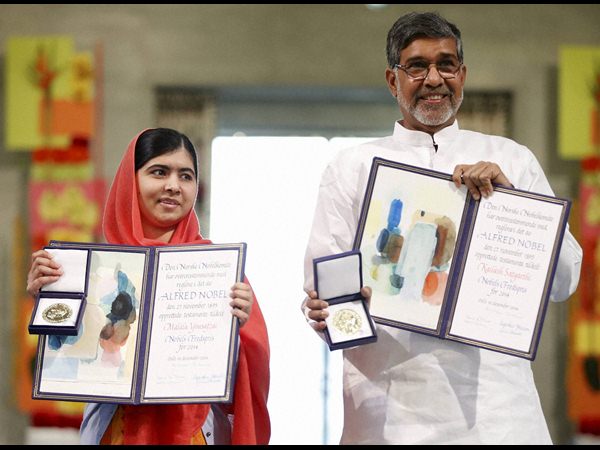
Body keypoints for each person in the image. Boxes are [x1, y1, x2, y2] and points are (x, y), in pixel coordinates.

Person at [302, 11, 582, 445]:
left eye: (446, 64)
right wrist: (331, 314)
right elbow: (327, 296)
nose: (434, 79)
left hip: (498, 415)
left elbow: (564, 280)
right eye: (417, 66)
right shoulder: (352, 168)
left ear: (462, 75)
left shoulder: (512, 160)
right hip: (387, 412)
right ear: (393, 80)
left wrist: (513, 206)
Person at [27, 127, 270, 444]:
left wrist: (239, 328)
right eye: (159, 172)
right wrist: (49, 299)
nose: (173, 186)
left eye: (186, 176)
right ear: (131, 180)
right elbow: (69, 358)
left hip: (194, 434)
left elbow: (246, 373)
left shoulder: (220, 271)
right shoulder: (95, 269)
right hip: (115, 430)